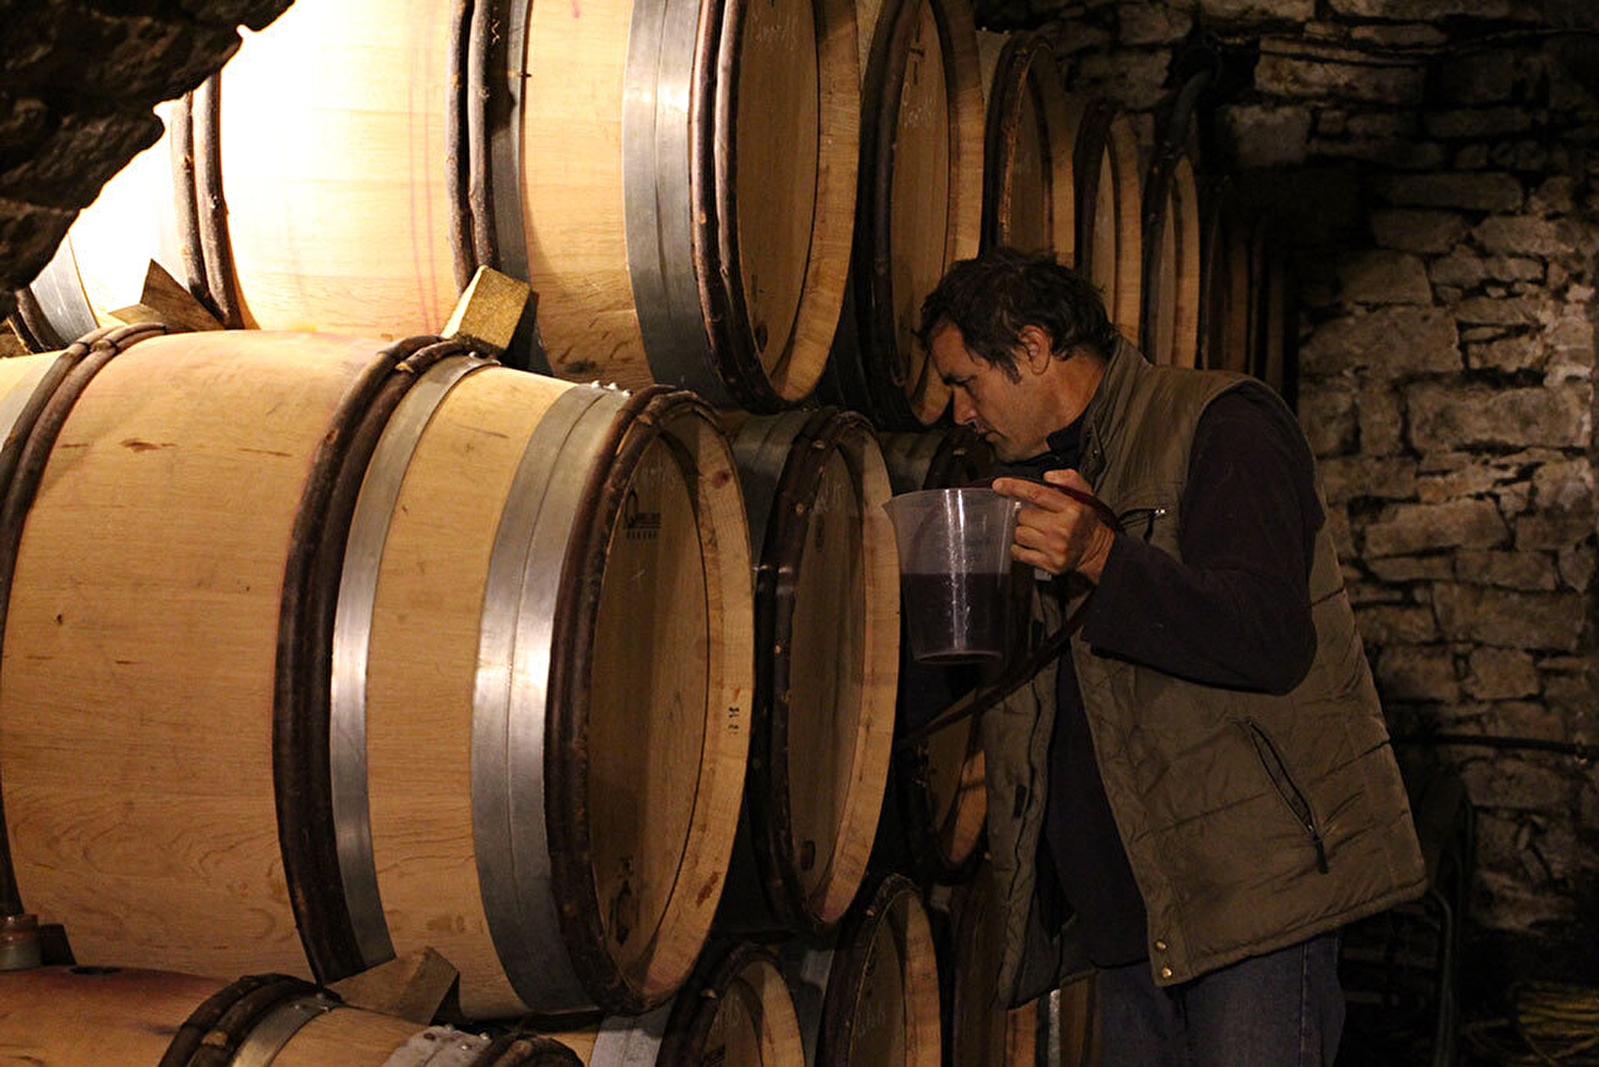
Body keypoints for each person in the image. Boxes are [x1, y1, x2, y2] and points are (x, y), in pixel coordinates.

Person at [916, 248, 1424, 1066]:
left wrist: (1102, 556)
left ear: (1033, 348)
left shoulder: (1218, 422)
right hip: (1129, 913)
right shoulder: (1025, 477)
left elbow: (1266, 635)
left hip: (1248, 903)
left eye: (964, 381)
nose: (958, 412)